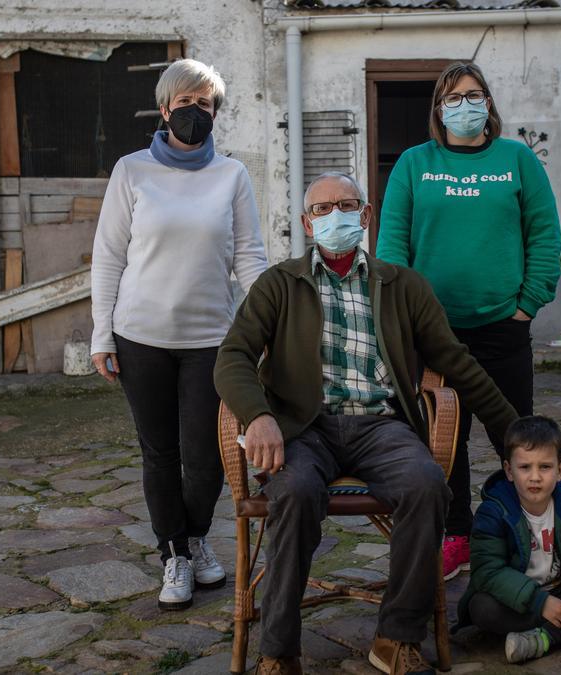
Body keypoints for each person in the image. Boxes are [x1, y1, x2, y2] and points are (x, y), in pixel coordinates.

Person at [214, 172, 517, 675]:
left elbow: (457, 363)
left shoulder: (403, 285)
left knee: (426, 486)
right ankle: (278, 649)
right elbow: (233, 357)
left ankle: (396, 636)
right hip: (305, 428)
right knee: (293, 494)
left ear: (366, 215)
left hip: (382, 426)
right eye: (323, 210)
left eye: (347, 205)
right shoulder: (279, 284)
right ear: (309, 224)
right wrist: (259, 414)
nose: (337, 216)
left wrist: (512, 434)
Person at [90, 58, 267, 611]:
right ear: (165, 110)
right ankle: (176, 554)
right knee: (160, 453)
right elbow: (107, 257)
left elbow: (250, 257)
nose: (194, 114)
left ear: (216, 112)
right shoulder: (132, 170)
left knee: (208, 455)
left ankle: (193, 537)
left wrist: (271, 324)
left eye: (205, 105)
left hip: (213, 339)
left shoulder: (232, 176)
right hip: (140, 335)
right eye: (184, 104)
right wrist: (102, 334)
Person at [376, 62, 561, 582]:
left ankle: (523, 532)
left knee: (516, 439)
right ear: (438, 108)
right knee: (445, 441)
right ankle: (456, 538)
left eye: (473, 95)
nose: (464, 104)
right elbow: (392, 245)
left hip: (504, 326)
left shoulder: (517, 160)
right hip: (435, 335)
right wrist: (406, 315)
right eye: (453, 97)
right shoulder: (415, 164)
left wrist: (527, 305)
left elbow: (544, 236)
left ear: (489, 103)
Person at [456, 415, 561, 664]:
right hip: (520, 599)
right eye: (525, 467)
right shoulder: (493, 512)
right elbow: (488, 571)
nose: (535, 477)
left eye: (545, 467)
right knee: (481, 609)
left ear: (560, 470)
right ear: (509, 471)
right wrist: (540, 602)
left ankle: (544, 638)